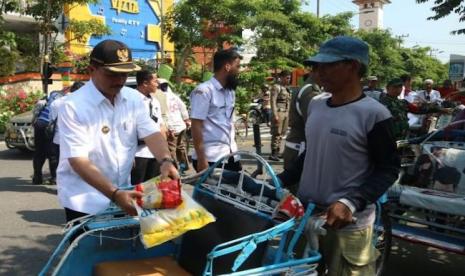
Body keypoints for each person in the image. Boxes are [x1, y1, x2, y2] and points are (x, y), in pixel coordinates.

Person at [278, 36, 400, 275]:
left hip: (348, 225)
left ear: (353, 66)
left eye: (327, 66)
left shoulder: (374, 114)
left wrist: (351, 202)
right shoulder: (316, 105)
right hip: (307, 217)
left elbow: (388, 169)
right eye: (315, 66)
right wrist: (280, 179)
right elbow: (311, 153)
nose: (318, 73)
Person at [56, 39, 178, 222]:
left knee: (123, 246)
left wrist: (166, 160)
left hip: (124, 192)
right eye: (112, 74)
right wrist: (114, 193)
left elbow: (152, 133)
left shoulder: (133, 99)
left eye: (124, 74)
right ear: (92, 70)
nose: (120, 81)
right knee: (90, 248)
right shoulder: (73, 106)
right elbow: (78, 160)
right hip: (85, 200)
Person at [190, 48, 242, 172]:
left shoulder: (230, 92)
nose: (239, 71)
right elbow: (196, 126)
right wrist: (202, 160)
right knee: (207, 192)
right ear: (227, 67)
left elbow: (229, 124)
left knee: (232, 191)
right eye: (238, 66)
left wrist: (235, 154)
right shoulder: (204, 91)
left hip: (230, 155)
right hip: (210, 158)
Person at [379, 78, 447, 140]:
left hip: (402, 137)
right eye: (395, 87)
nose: (398, 89)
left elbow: (418, 109)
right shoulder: (382, 103)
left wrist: (439, 109)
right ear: (387, 88)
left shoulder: (402, 102)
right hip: (387, 138)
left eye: (400, 87)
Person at [130, 70, 166, 185]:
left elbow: (160, 125)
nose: (157, 84)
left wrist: (164, 153)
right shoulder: (131, 100)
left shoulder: (155, 101)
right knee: (137, 188)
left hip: (154, 153)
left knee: (152, 188)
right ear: (145, 83)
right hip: (138, 154)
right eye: (155, 81)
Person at [282, 71, 321, 175]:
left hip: (298, 147)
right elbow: (314, 127)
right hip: (300, 149)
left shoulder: (307, 88)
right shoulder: (310, 91)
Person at [48, 81, 85, 184]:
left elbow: (51, 119)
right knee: (74, 164)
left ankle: (56, 180)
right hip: (76, 140)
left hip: (58, 138)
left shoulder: (56, 103)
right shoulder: (82, 102)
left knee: (58, 162)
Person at [155, 78, 191, 173]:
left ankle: (175, 169)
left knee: (172, 149)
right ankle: (184, 165)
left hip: (173, 127)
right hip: (181, 126)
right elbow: (183, 107)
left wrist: (170, 128)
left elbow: (166, 115)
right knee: (181, 146)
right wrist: (186, 120)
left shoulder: (160, 98)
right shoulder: (173, 96)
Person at [32, 88, 65, 184]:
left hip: (40, 123)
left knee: (39, 152)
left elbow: (36, 112)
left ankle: (37, 177)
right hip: (50, 126)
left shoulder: (45, 99)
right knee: (52, 153)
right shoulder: (64, 100)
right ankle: (54, 178)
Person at [269, 70, 291, 161]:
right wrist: (275, 115)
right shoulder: (276, 87)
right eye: (287, 78)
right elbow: (273, 101)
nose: (288, 79)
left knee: (282, 133)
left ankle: (278, 152)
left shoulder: (286, 88)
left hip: (286, 113)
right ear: (281, 77)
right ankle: (274, 153)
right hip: (279, 112)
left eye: (289, 78)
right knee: (276, 133)